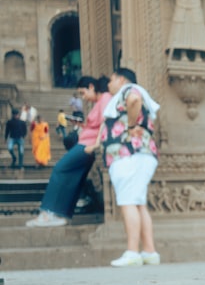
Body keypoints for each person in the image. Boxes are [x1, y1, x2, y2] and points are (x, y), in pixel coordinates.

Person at [26, 76, 112, 228]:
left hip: (88, 145)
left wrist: (97, 144)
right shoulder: (99, 102)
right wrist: (82, 125)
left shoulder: (105, 97)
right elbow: (96, 124)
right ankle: (62, 214)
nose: (83, 98)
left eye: (83, 93)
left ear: (91, 87)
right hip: (86, 142)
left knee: (60, 169)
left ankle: (48, 213)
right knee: (74, 177)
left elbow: (106, 121)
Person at [98, 67, 161, 267]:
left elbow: (134, 100)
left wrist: (132, 125)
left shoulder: (129, 90)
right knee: (138, 202)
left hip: (128, 154)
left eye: (111, 79)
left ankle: (133, 251)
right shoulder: (136, 91)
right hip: (141, 153)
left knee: (127, 202)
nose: (108, 85)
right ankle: (149, 251)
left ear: (121, 79)